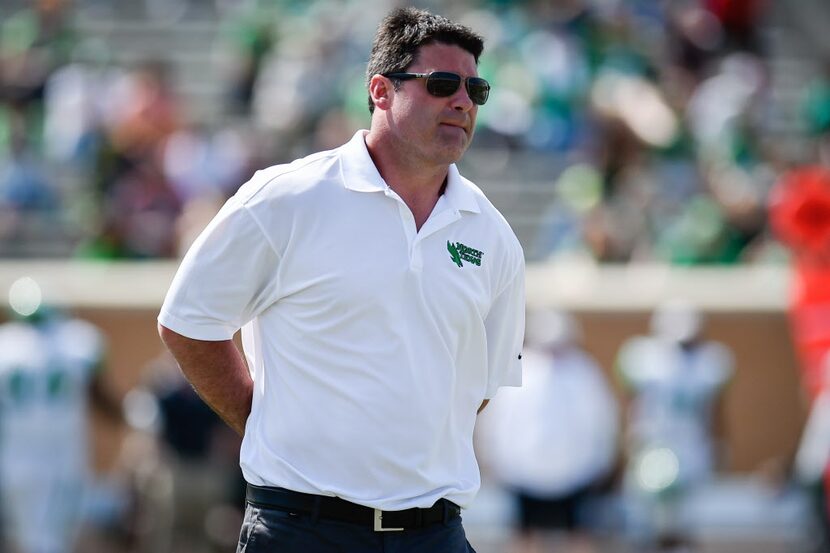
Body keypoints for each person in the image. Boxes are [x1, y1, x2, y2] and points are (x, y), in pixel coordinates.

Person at [157, 7, 525, 553]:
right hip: (299, 528)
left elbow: (481, 388)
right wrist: (257, 419)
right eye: (443, 83)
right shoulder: (285, 197)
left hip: (436, 534)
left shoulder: (494, 237)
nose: (463, 102)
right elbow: (188, 324)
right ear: (380, 90)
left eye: (477, 89)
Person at [479, 308, 619, 553]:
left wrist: (602, 461)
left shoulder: (583, 371)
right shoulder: (519, 369)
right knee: (524, 536)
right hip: (523, 474)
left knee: (579, 535)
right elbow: (497, 421)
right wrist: (493, 460)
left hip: (576, 473)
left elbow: (602, 420)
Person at [0, 276, 119, 553]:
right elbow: (98, 394)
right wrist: (124, 418)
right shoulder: (78, 341)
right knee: (53, 539)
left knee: (29, 536)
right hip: (60, 456)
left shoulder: (6, 345)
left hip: (14, 457)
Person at [615, 299, 733, 551]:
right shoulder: (644, 359)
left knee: (685, 523)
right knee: (645, 521)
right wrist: (631, 438)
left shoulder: (709, 363)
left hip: (691, 448)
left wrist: (719, 445)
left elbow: (715, 410)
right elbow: (631, 402)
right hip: (652, 446)